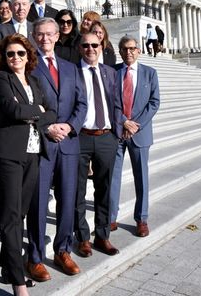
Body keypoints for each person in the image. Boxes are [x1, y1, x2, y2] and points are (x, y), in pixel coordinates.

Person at [0, 34, 56, 296]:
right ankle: (18, 280)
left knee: (21, 214)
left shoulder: (34, 81)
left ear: (28, 57)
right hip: (9, 155)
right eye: (10, 54)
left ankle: (8, 266)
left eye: (20, 53)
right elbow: (12, 110)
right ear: (4, 58)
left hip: (33, 153)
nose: (15, 57)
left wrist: (31, 111)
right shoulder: (0, 79)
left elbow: (52, 112)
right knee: (11, 216)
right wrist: (37, 110)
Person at [26, 18, 87, 282]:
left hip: (69, 143)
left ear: (57, 35)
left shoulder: (71, 67)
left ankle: (63, 250)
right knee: (38, 202)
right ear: (33, 36)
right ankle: (35, 257)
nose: (45, 39)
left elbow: (82, 103)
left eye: (50, 34)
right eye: (40, 34)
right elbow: (27, 103)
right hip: (42, 143)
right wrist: (47, 127)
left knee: (68, 199)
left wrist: (70, 126)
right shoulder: (28, 66)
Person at [75, 32, 120, 257]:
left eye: (95, 45)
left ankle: (102, 235)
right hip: (80, 136)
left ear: (101, 47)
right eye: (86, 45)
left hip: (106, 137)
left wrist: (116, 134)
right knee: (78, 190)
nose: (90, 49)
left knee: (104, 189)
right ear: (80, 48)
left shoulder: (110, 72)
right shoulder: (72, 72)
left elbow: (117, 104)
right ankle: (82, 237)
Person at [110, 36, 160, 237]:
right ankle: (111, 217)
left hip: (140, 133)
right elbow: (109, 100)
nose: (128, 52)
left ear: (138, 50)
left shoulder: (150, 73)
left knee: (141, 177)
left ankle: (141, 218)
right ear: (120, 51)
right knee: (113, 177)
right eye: (124, 49)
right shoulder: (112, 72)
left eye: (132, 48)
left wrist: (135, 126)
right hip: (117, 132)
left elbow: (154, 102)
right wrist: (123, 121)